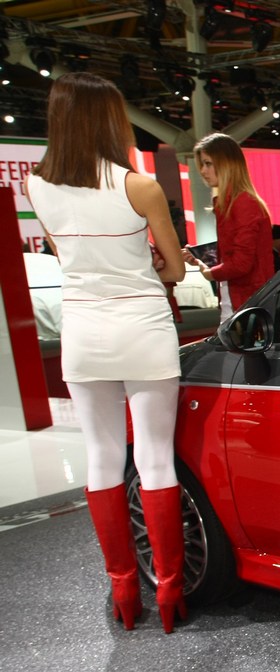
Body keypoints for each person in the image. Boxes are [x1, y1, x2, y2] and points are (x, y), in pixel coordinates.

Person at [26, 72, 189, 632]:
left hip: (83, 330)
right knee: (155, 459)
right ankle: (169, 589)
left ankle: (123, 588)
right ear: (110, 121)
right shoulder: (138, 187)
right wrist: (150, 264)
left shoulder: (37, 187)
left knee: (100, 458)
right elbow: (176, 267)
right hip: (141, 326)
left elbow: (66, 255)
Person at [181, 132, 274, 319]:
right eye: (202, 164)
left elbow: (241, 263)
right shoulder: (231, 203)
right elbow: (235, 255)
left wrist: (209, 273)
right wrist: (201, 258)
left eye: (208, 164)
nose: (203, 171)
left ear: (227, 164)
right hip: (238, 299)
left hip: (246, 302)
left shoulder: (243, 202)